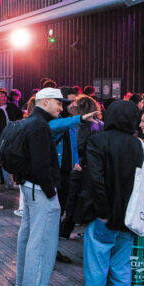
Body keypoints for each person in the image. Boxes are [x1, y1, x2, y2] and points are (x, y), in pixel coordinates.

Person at [76, 100, 144, 286]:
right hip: (129, 220)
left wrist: (103, 212)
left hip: (103, 219)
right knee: (121, 271)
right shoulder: (142, 147)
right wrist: (140, 210)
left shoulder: (98, 141)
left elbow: (95, 180)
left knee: (96, 270)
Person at [13, 88, 69, 286]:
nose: (61, 107)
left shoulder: (30, 121)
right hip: (40, 189)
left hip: (29, 187)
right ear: (45, 102)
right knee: (43, 240)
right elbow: (41, 164)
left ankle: (23, 282)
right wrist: (51, 191)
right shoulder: (40, 126)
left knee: (28, 235)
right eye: (59, 103)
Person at [59, 95, 104, 242]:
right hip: (92, 168)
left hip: (77, 167)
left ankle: (65, 230)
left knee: (71, 200)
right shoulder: (100, 124)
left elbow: (77, 146)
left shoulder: (78, 125)